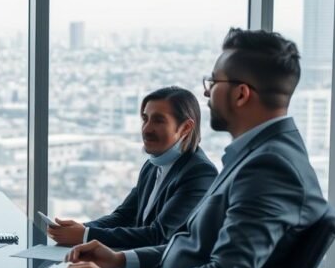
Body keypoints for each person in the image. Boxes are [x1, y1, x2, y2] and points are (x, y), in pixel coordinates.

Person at [58, 28, 328, 268]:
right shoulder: (257, 156)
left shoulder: (270, 168)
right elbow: (196, 246)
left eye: (213, 82)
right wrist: (120, 260)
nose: (206, 92)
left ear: (241, 94)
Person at [46, 86, 217, 249]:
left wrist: (85, 235)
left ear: (186, 127)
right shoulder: (152, 166)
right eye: (145, 119)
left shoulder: (200, 173)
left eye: (158, 120)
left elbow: (158, 235)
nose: (147, 129)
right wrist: (79, 228)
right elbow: (123, 216)